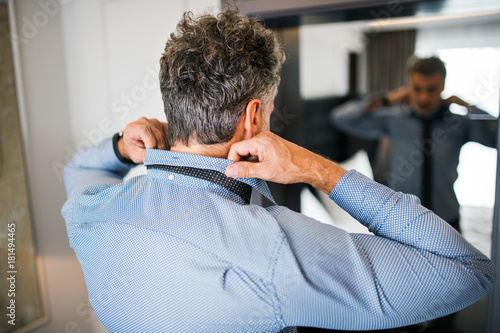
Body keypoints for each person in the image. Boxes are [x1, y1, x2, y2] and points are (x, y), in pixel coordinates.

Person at [62, 8, 495, 333]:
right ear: (253, 117)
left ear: (174, 100)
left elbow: (77, 168)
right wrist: (316, 170)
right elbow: (468, 271)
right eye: (268, 110)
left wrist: (121, 147)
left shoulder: (89, 212)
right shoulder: (276, 250)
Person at [330, 56, 497, 233]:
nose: (423, 98)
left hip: (446, 220)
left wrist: (470, 107)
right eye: (417, 89)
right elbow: (341, 119)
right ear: (409, 86)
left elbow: (496, 138)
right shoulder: (394, 119)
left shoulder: (458, 124)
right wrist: (387, 99)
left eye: (431, 90)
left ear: (443, 86)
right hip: (402, 221)